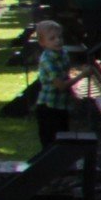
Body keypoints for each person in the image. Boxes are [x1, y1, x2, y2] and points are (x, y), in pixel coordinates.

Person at [32, 20, 73, 154]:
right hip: (48, 107)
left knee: (63, 139)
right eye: (52, 38)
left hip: (61, 105)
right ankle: (47, 170)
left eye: (59, 37)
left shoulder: (63, 53)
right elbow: (60, 86)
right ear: (42, 43)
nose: (57, 41)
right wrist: (82, 75)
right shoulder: (47, 59)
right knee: (50, 142)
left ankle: (62, 169)